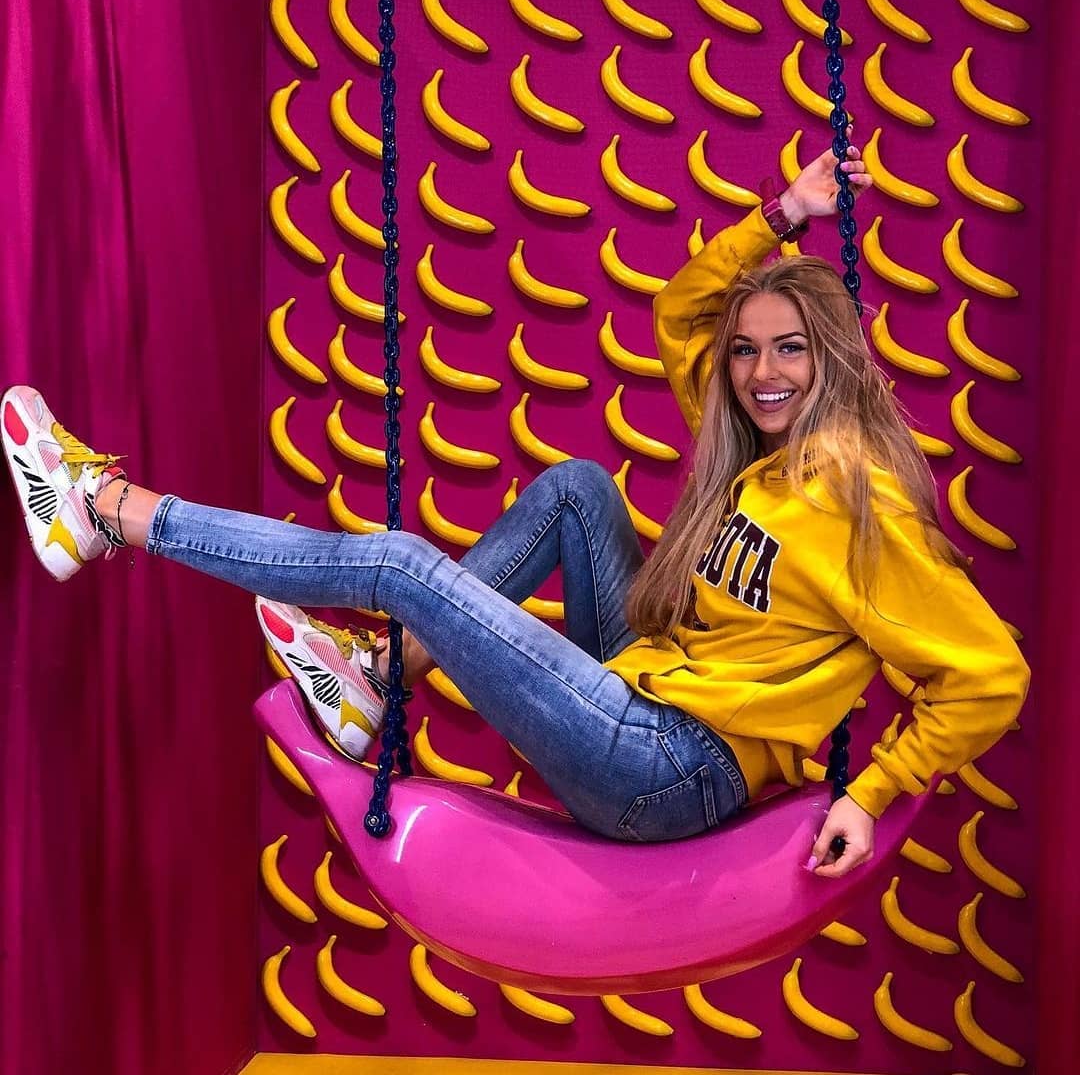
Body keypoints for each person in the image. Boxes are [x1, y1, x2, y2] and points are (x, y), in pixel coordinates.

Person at [2, 135, 1029, 878]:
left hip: (671, 767)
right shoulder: (755, 456)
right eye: (749, 350)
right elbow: (683, 309)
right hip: (645, 699)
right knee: (579, 489)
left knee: (400, 565)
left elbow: (989, 675)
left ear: (832, 359)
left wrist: (871, 790)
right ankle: (380, 678)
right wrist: (784, 215)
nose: (763, 374)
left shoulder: (854, 495)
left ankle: (106, 508)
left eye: (791, 350)